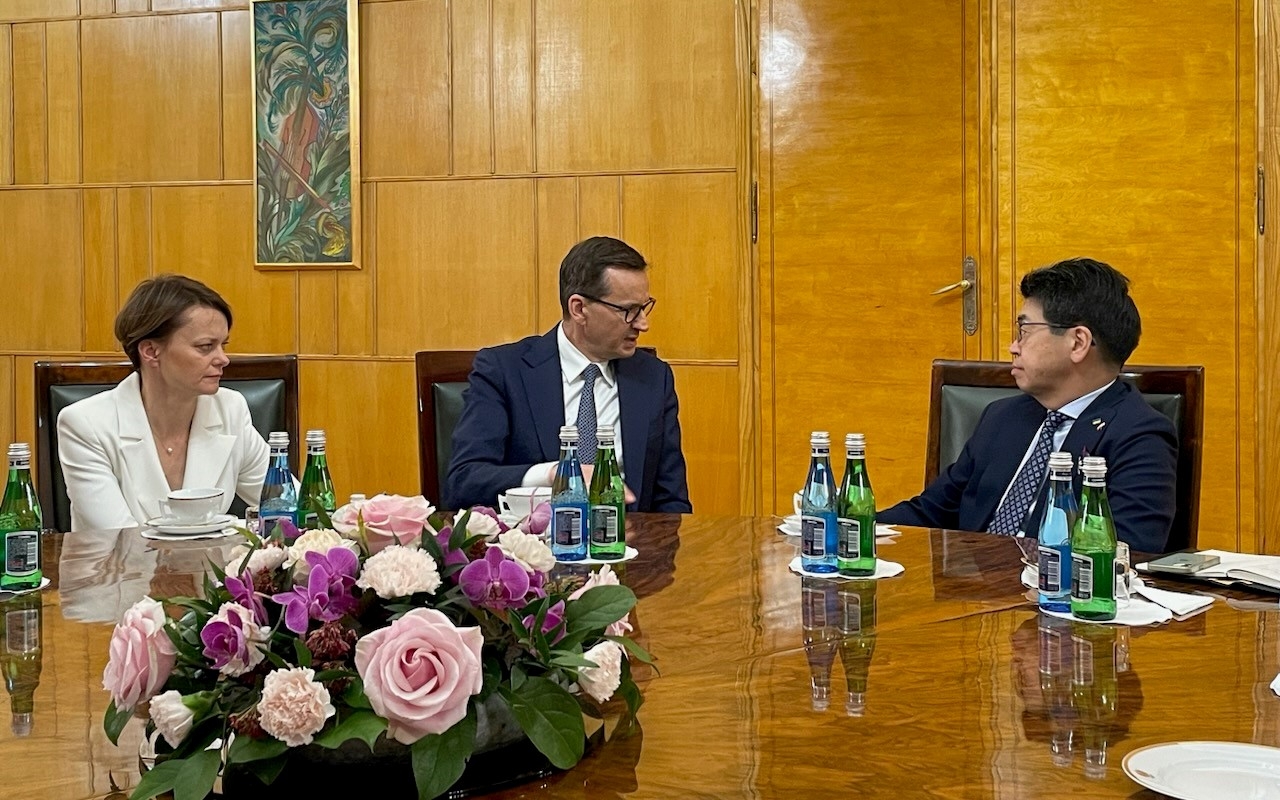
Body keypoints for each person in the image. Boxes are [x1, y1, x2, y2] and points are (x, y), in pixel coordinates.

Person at [878, 258, 1178, 553]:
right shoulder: (1003, 416)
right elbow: (932, 511)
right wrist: (848, 526)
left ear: (1078, 343)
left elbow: (1128, 551)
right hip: (970, 593)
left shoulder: (1140, 435)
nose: (1013, 347)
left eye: (1025, 331)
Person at [445, 236, 692, 513]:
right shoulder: (504, 371)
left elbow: (672, 503)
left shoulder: (653, 379)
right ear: (579, 308)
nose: (643, 324)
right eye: (628, 311)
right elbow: (464, 481)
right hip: (534, 548)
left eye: (644, 308)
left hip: (629, 548)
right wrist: (554, 475)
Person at [57, 275, 269, 531]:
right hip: (119, 570)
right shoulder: (85, 425)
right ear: (151, 352)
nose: (223, 359)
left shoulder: (231, 409)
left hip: (212, 570)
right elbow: (118, 541)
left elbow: (290, 509)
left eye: (222, 345)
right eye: (205, 346)